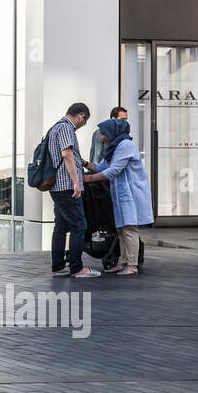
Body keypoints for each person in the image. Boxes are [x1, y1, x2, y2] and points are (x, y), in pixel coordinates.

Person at [83, 118, 153, 275]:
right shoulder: (114, 147)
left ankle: (132, 265)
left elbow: (113, 170)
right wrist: (85, 163)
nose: (102, 137)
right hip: (121, 194)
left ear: (112, 132)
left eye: (104, 133)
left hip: (131, 194)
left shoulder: (125, 146)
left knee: (130, 229)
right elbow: (101, 167)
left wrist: (87, 179)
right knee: (121, 229)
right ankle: (123, 262)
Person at [48, 102, 101, 278]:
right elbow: (67, 154)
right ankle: (77, 268)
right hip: (67, 186)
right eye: (83, 122)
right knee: (79, 225)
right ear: (81, 116)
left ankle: (58, 266)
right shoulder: (65, 128)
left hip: (58, 186)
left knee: (61, 226)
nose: (81, 125)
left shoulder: (56, 127)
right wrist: (76, 182)